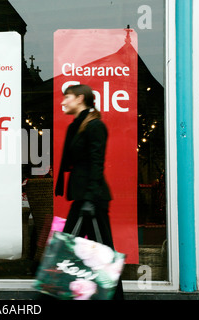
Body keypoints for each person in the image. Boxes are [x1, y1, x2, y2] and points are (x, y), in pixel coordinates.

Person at [55, 84, 124, 300]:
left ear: (80, 98)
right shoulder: (77, 125)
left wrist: (90, 200)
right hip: (83, 197)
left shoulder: (95, 126)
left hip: (91, 199)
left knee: (94, 254)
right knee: (97, 254)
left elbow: (97, 163)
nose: (63, 102)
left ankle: (54, 294)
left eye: (67, 97)